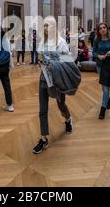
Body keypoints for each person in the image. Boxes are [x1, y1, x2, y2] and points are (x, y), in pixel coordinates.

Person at [32, 21, 80, 154]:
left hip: (57, 79)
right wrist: (40, 63)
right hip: (44, 78)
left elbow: (66, 61)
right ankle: (43, 138)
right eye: (45, 26)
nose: (46, 28)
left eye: (49, 25)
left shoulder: (61, 42)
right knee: (42, 109)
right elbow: (41, 59)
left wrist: (50, 63)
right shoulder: (42, 43)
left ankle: (68, 120)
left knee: (61, 105)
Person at [93, 22, 110, 120]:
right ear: (98, 31)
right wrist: (98, 56)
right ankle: (108, 100)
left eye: (104, 27)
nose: (102, 29)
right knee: (103, 85)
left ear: (107, 29)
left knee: (106, 87)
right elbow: (93, 52)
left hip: (109, 66)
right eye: (100, 28)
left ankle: (103, 109)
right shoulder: (97, 40)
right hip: (100, 65)